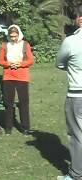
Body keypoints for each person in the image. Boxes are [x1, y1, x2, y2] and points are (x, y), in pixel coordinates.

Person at [56, 5, 82, 180]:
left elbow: (59, 63)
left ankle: (76, 174)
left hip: (77, 94)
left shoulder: (71, 41)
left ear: (79, 19)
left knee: (76, 135)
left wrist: (71, 67)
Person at [0, 24, 34, 135]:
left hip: (22, 77)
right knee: (8, 103)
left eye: (15, 36)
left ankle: (25, 127)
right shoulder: (5, 45)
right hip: (8, 76)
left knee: (23, 102)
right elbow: (0, 60)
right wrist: (8, 64)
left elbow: (31, 60)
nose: (13, 38)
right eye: (11, 36)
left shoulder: (25, 44)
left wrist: (20, 64)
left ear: (19, 34)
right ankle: (8, 127)